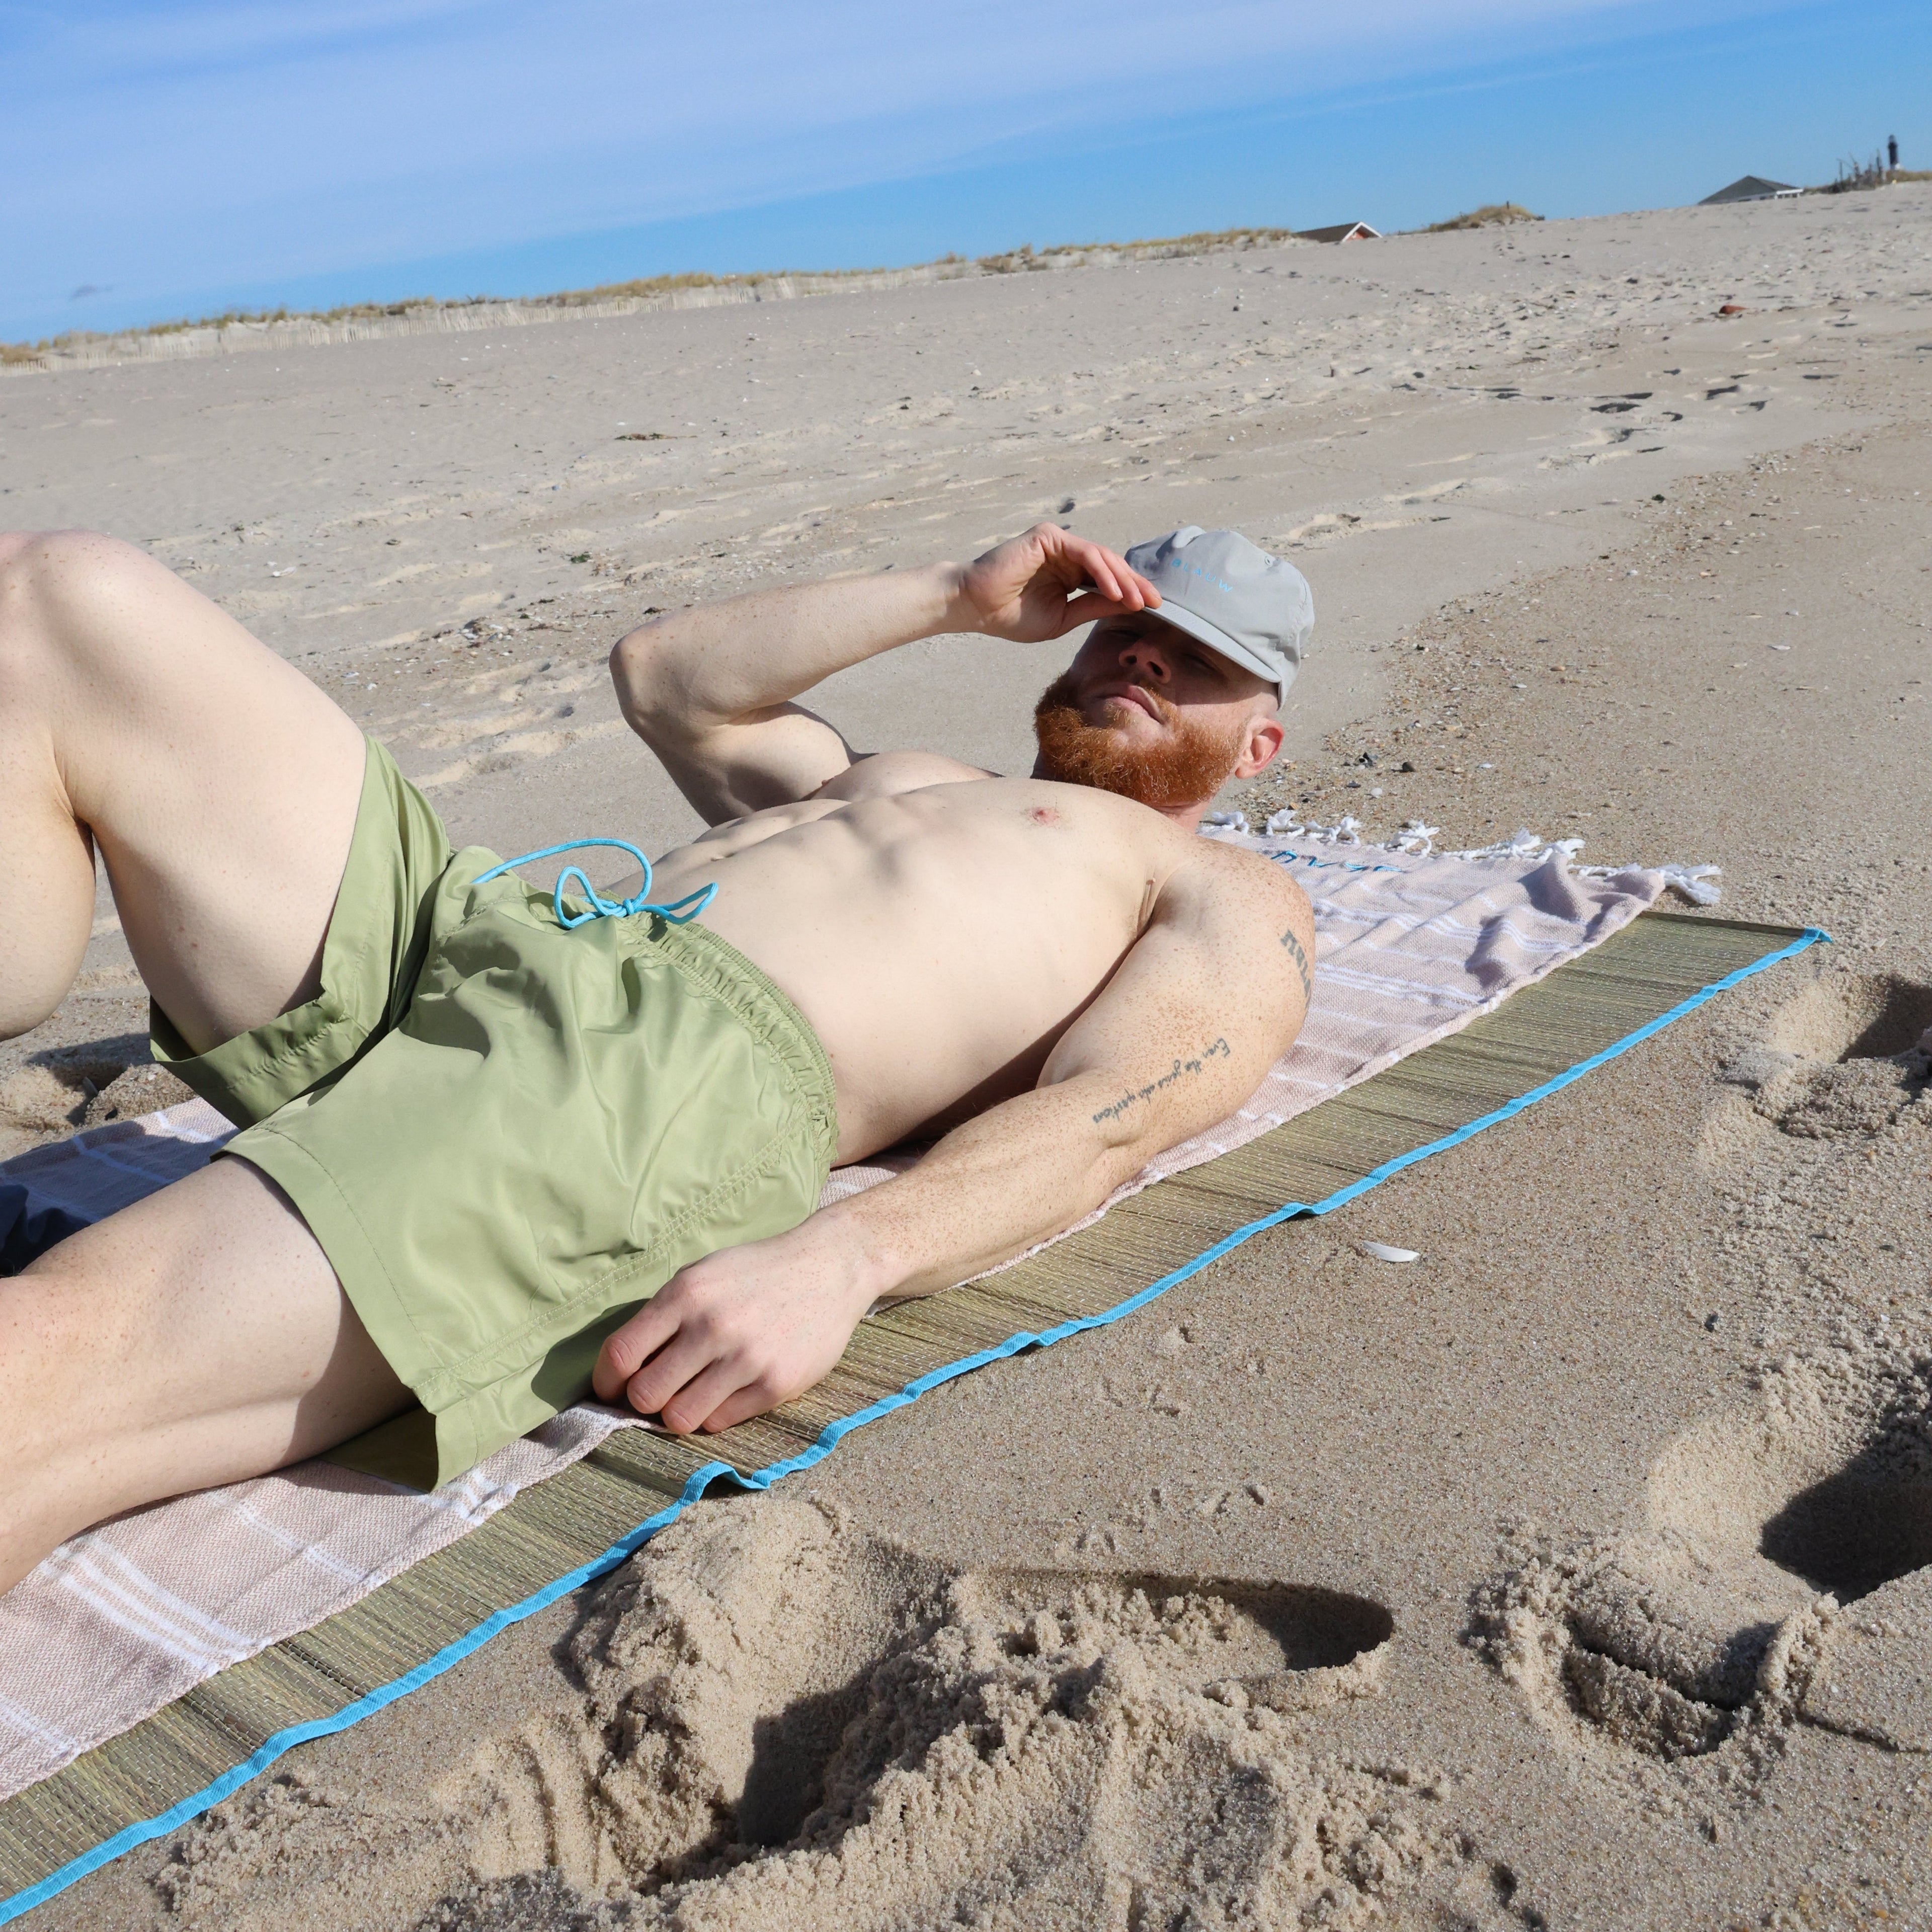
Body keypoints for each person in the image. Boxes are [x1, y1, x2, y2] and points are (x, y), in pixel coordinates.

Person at [0, 519, 1314, 1593]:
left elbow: (1113, 1116)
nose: (1142, 661)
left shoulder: (1212, 888)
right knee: (64, 597)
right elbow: (666, 678)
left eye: (1195, 661)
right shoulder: (902, 774)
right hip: (484, 925)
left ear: (1259, 744)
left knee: (41, 1363)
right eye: (1128, 628)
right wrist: (952, 595)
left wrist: (849, 1257)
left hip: (644, 1071)